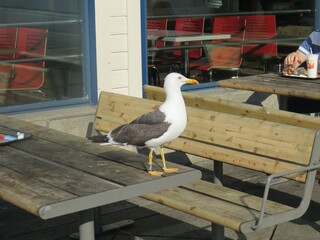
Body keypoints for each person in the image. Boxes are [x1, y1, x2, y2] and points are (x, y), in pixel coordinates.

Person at [281, 30, 320, 114]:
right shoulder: (316, 36)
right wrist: (290, 59)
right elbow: (297, 59)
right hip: (314, 89)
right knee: (291, 102)